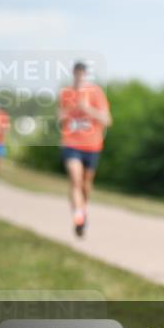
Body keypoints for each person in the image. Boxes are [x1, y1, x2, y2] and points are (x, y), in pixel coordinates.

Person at [59, 61, 112, 237]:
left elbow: (107, 120)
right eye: (77, 73)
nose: (79, 76)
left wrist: (87, 109)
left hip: (92, 145)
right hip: (71, 143)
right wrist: (70, 110)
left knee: (86, 184)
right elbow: (59, 118)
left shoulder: (96, 92)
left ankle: (83, 208)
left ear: (86, 74)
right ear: (74, 73)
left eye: (83, 73)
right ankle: (78, 216)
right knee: (76, 179)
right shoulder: (66, 93)